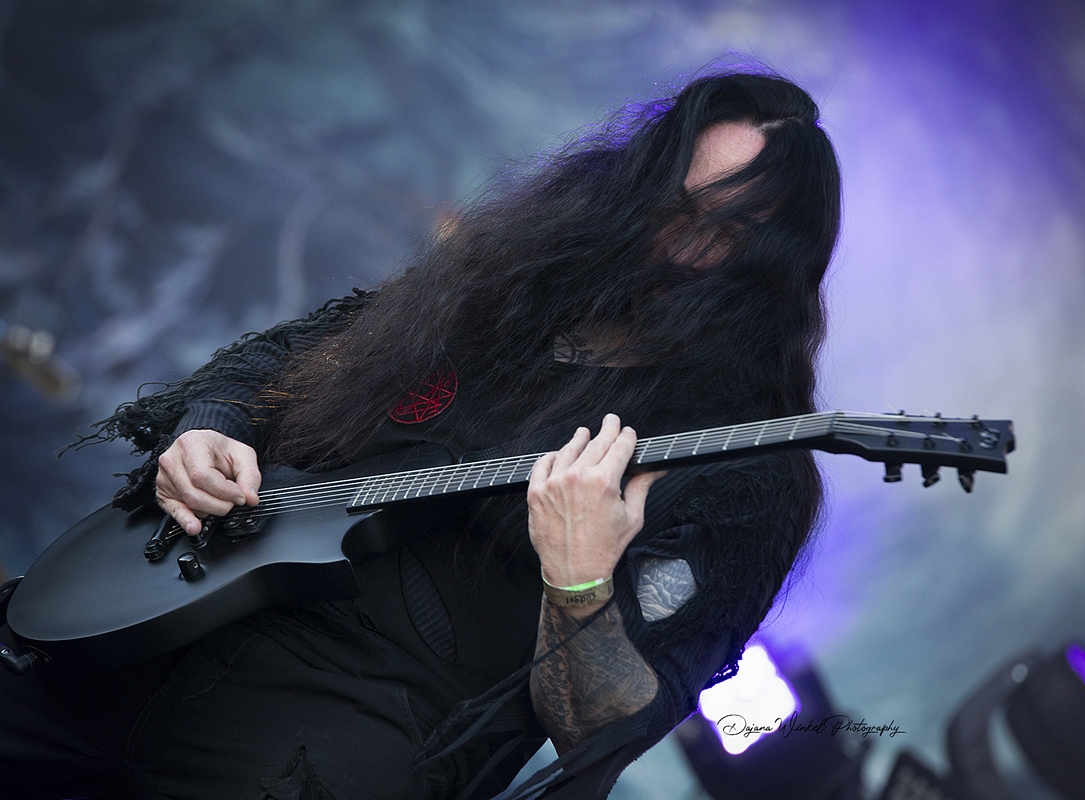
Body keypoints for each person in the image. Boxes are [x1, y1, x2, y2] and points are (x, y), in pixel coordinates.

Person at [0, 69, 840, 799]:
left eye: (720, 230)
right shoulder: (501, 291)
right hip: (159, 621)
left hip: (333, 735)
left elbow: (606, 729)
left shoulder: (746, 469)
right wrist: (209, 428)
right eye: (666, 202)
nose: (671, 244)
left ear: (771, 268)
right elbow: (282, 356)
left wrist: (579, 579)